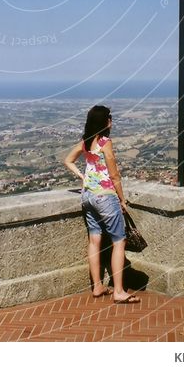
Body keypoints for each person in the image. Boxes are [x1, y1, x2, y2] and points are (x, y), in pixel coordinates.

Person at [64, 104, 140, 304]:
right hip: (105, 197)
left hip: (87, 196)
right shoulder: (106, 142)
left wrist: (83, 176)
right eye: (110, 118)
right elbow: (114, 175)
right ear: (106, 122)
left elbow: (68, 160)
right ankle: (119, 291)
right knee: (119, 241)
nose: (111, 121)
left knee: (94, 241)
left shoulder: (86, 141)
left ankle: (97, 286)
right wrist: (122, 199)